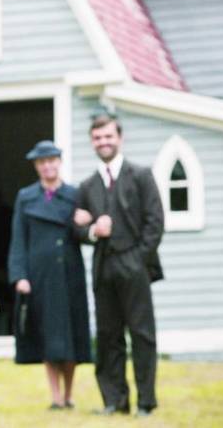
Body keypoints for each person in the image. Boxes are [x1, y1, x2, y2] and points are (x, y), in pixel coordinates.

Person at [73, 110, 164, 417]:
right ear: (92, 142)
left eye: (108, 136)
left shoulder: (141, 175)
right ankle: (114, 401)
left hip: (134, 264)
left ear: (120, 138)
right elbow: (78, 229)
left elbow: (155, 223)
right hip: (103, 268)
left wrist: (138, 259)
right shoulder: (87, 186)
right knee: (108, 337)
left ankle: (146, 403)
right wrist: (91, 231)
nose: (104, 142)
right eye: (98, 138)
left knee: (141, 335)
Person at [7, 140, 92, 410]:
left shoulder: (75, 194)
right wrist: (19, 275)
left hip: (69, 273)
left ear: (59, 162)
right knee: (48, 336)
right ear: (36, 166)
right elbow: (18, 238)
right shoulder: (26, 196)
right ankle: (55, 397)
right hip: (39, 276)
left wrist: (87, 222)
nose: (47, 166)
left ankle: (69, 395)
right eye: (42, 162)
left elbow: (84, 233)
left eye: (52, 160)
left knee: (70, 335)